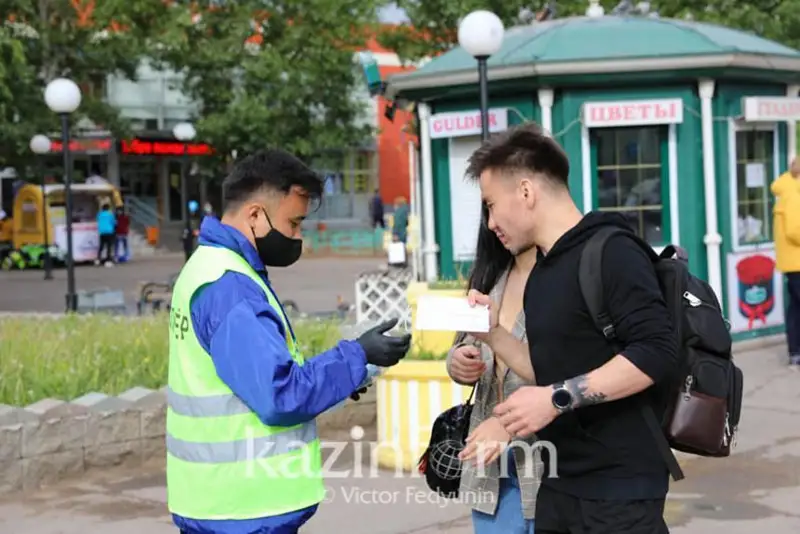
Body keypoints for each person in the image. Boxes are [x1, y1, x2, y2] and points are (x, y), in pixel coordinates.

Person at [166, 149, 412, 534]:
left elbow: (250, 379)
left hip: (220, 502)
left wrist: (351, 373)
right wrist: (357, 354)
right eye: (294, 223)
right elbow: (279, 395)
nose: (298, 237)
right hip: (245, 509)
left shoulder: (207, 266)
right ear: (254, 215)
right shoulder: (231, 288)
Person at [465, 123, 678, 534]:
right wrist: (493, 334)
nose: (489, 223)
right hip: (560, 484)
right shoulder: (544, 270)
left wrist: (556, 399)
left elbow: (655, 352)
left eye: (491, 205)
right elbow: (546, 367)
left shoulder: (612, 249)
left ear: (526, 191)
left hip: (619, 489)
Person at [447, 203, 541, 534]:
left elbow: (568, 370)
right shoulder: (491, 277)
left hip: (544, 462)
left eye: (497, 207)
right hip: (488, 466)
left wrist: (508, 426)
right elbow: (463, 342)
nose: (492, 223)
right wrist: (458, 361)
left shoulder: (560, 282)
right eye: (487, 210)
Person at [771, 156, 800, 367]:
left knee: (796, 308)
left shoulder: (788, 189)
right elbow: (795, 230)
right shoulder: (794, 194)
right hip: (797, 261)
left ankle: (795, 352)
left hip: (792, 261)